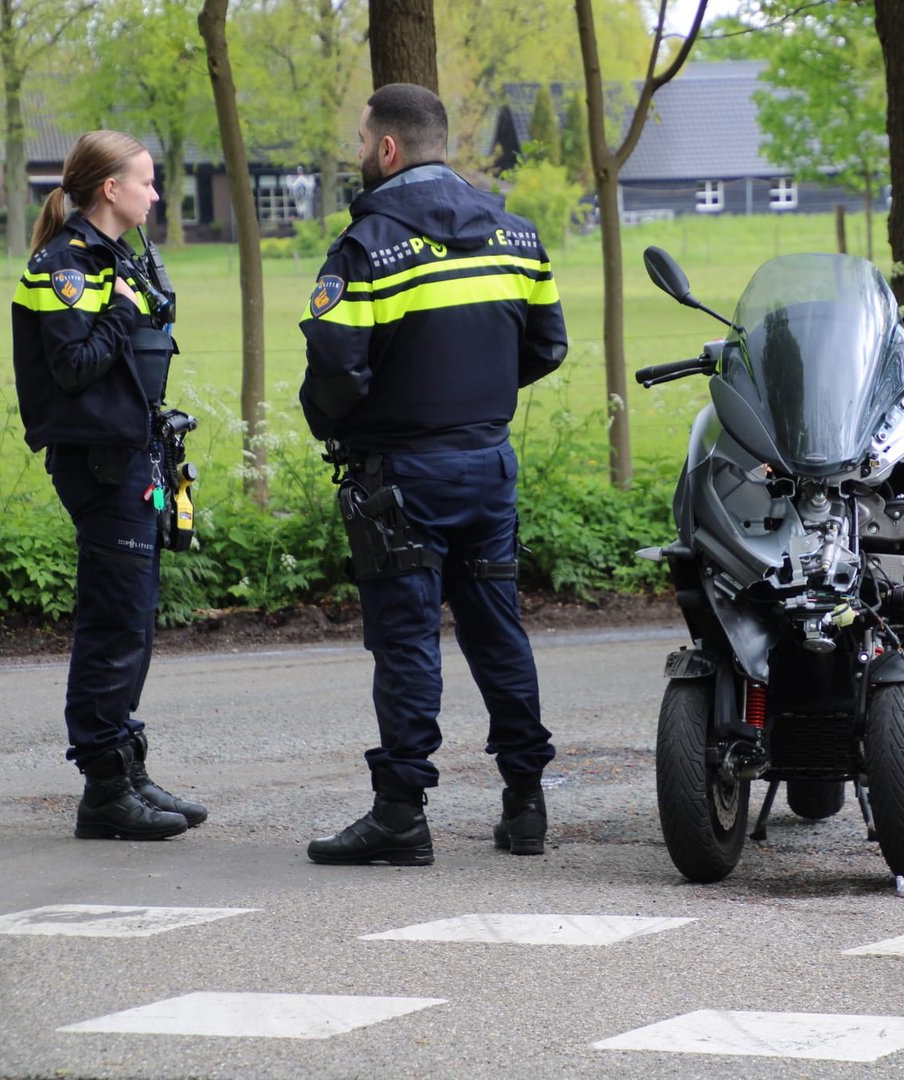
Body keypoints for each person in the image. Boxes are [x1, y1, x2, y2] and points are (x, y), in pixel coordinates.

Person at [298, 84, 566, 866]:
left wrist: (341, 422)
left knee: (407, 640)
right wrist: (473, 395)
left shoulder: (366, 247)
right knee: (498, 632)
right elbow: (547, 347)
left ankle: (401, 813)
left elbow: (337, 371)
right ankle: (526, 805)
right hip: (488, 466)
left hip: (402, 478)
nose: (358, 152)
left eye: (360, 140)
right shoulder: (517, 235)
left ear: (387, 149)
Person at [11, 130, 206, 841]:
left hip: (134, 453)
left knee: (134, 619)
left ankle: (127, 767)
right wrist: (122, 311)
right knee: (113, 624)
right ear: (110, 189)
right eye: (146, 182)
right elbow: (74, 366)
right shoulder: (62, 267)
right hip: (97, 461)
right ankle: (103, 789)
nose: (156, 194)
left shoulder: (125, 256)